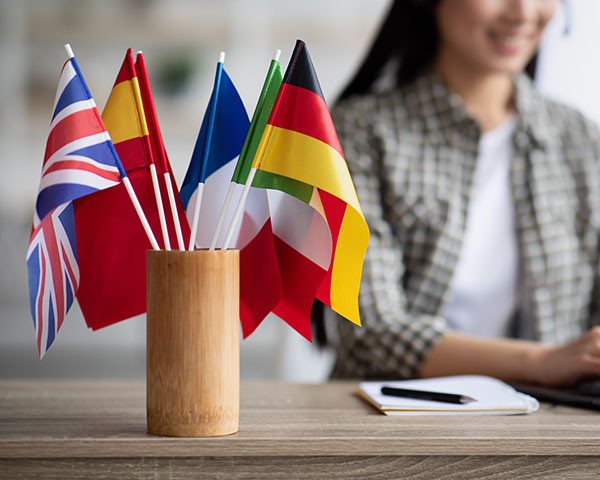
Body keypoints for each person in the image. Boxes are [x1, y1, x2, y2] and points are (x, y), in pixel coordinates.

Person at [329, 0, 600, 386]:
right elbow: (370, 332)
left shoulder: (581, 139)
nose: (523, 11)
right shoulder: (360, 133)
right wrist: (544, 361)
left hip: (553, 427)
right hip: (389, 423)